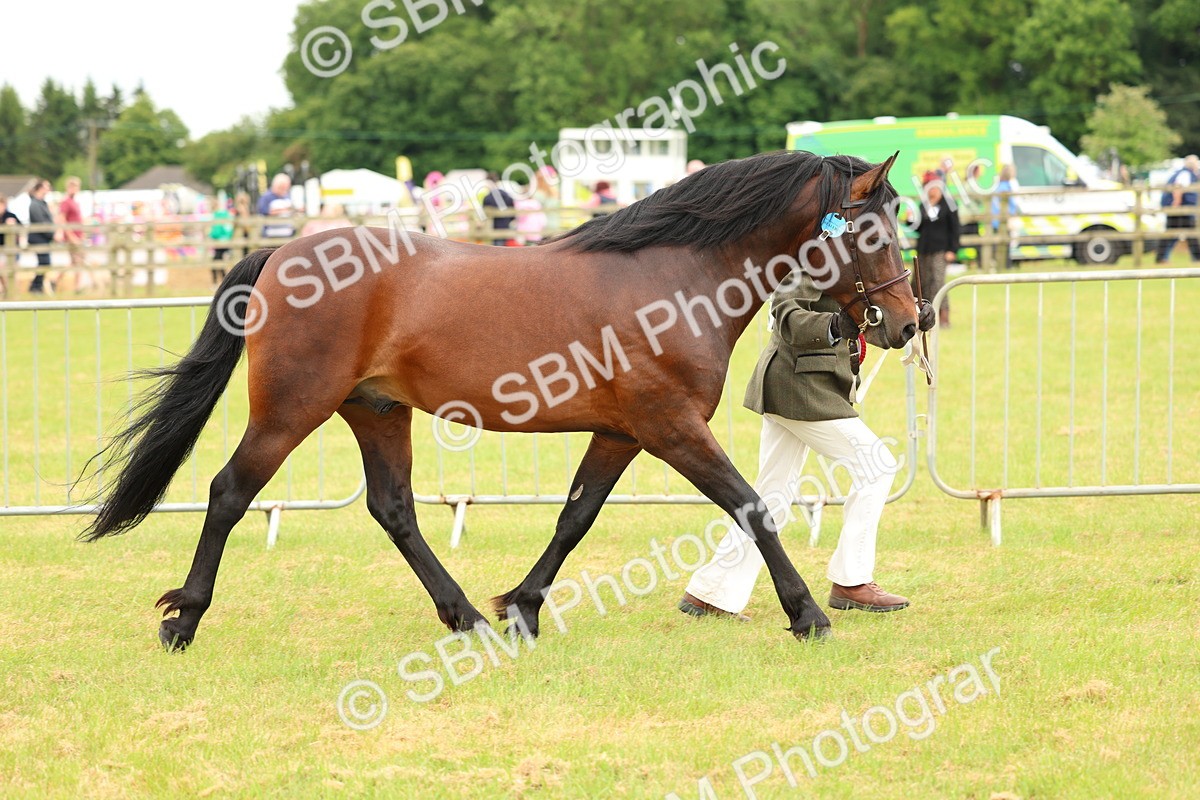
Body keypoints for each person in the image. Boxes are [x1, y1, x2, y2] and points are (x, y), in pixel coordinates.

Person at [679, 270, 934, 621]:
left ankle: (711, 593)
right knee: (878, 466)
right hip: (800, 385)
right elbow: (787, 315)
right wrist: (835, 325)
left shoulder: (853, 259)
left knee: (773, 498)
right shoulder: (814, 257)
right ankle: (851, 580)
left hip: (803, 386)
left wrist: (913, 316)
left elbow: (868, 321)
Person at [912, 178, 960, 328]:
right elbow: (918, 228)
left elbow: (956, 229)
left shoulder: (949, 205)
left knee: (937, 282)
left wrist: (953, 249)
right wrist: (910, 220)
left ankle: (943, 318)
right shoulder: (923, 205)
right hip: (924, 250)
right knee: (921, 283)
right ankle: (921, 317)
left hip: (941, 250)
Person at [1156, 155, 1200, 264]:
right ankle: (1197, 258)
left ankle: (1161, 258)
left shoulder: (1183, 173)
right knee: (1188, 234)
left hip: (1180, 209)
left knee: (1172, 234)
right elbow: (1178, 189)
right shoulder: (1186, 173)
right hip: (1181, 210)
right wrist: (1176, 205)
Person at [57, 176, 92, 292]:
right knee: (77, 261)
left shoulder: (74, 202)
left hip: (78, 235)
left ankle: (75, 286)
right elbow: (62, 219)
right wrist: (71, 236)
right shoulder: (66, 202)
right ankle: (58, 281)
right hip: (73, 237)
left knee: (76, 261)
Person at [26, 179, 53, 294]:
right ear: (40, 188)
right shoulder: (35, 204)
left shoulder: (41, 203)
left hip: (44, 238)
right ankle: (35, 286)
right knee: (44, 262)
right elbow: (40, 222)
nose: (49, 189)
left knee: (44, 263)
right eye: (47, 187)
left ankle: (37, 286)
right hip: (38, 238)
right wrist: (51, 234)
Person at [991, 164, 1020, 270]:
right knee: (1005, 243)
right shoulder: (1005, 187)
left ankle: (1001, 264)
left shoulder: (998, 185)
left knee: (1001, 243)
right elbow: (1011, 205)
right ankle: (1005, 265)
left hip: (996, 219)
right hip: (1003, 219)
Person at [480, 172, 514, 245]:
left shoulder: (487, 198)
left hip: (493, 228)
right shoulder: (506, 195)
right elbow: (513, 212)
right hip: (506, 226)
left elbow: (484, 215)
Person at [257, 173, 295, 239]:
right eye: (283, 187)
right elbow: (264, 211)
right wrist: (284, 210)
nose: (286, 189)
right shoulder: (266, 197)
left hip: (287, 232)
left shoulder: (287, 197)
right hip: (271, 232)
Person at [209, 196, 234, 285]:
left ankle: (218, 281)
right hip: (221, 242)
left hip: (221, 242)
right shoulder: (223, 214)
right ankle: (220, 281)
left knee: (217, 261)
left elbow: (216, 231)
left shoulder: (219, 215)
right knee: (218, 262)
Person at [0, 194, 18, 297]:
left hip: (10, 249)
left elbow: (21, 228)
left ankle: (9, 290)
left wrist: (13, 225)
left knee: (9, 269)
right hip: (1, 250)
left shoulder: (10, 215)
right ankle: (7, 289)